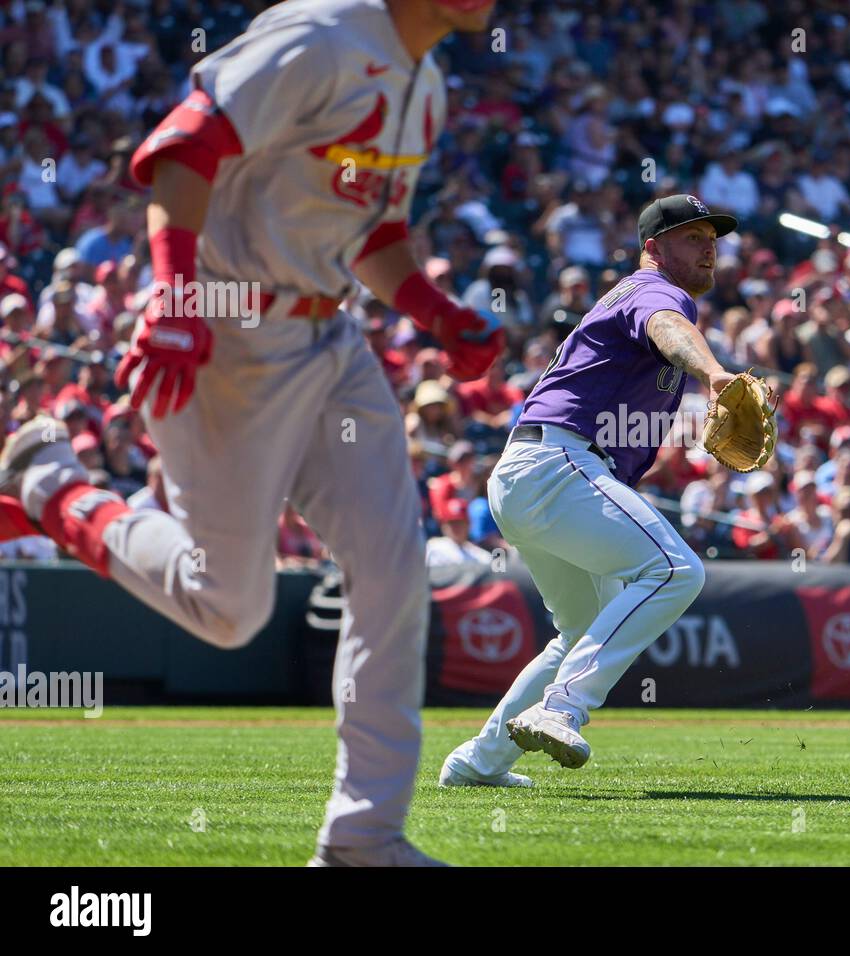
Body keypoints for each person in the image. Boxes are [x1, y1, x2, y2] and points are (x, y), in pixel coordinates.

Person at [0, 0, 506, 868]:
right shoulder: (322, 35)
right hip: (228, 335)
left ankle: (363, 839)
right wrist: (175, 296)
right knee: (229, 609)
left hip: (329, 337)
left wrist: (437, 312)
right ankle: (51, 485)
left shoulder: (426, 83)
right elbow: (182, 148)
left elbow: (374, 235)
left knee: (394, 569)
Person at [440, 194, 764, 782]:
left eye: (713, 236)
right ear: (652, 249)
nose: (709, 245)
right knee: (674, 571)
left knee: (578, 631)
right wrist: (715, 375)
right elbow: (667, 326)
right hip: (558, 466)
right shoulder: (656, 292)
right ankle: (564, 707)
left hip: (536, 471)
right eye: (693, 236)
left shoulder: (636, 296)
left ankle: (479, 763)